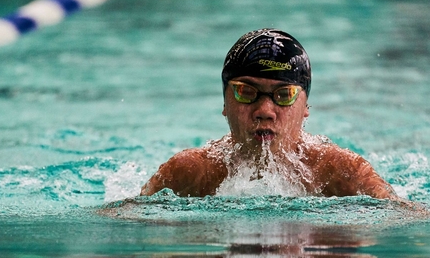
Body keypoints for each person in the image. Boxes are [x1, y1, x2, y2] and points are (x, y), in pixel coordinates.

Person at [141, 28, 401, 201]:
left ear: (306, 106)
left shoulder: (342, 172)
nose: (265, 111)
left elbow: (407, 218)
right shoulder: (190, 172)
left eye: (284, 95)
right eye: (245, 92)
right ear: (224, 102)